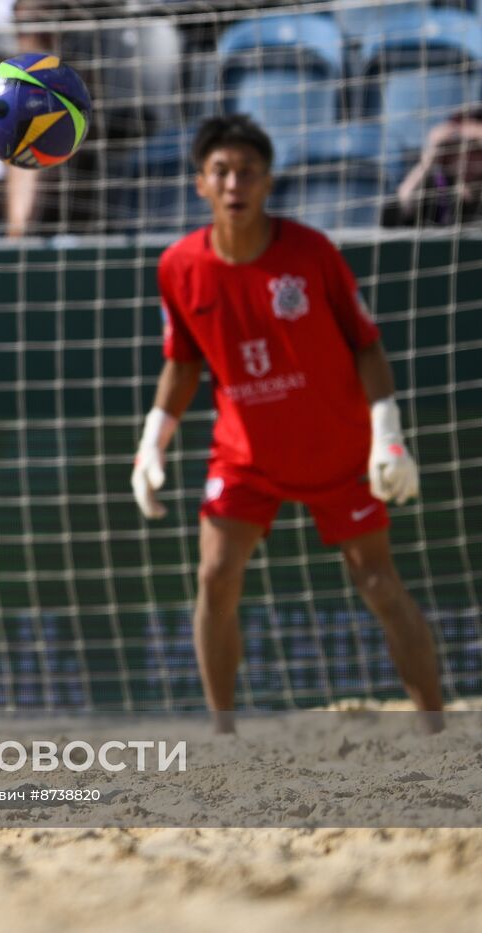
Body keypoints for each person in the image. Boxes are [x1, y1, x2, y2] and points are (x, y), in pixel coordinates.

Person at [130, 115, 443, 734]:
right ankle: (223, 733)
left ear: (268, 182)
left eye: (247, 171)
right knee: (215, 577)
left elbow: (367, 346)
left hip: (339, 448)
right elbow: (183, 363)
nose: (234, 183)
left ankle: (437, 731)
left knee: (378, 583)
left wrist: (389, 436)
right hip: (246, 455)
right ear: (200, 184)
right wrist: (151, 444)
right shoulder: (179, 266)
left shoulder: (311, 252)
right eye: (220, 171)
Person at [384, 107, 482, 227]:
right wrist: (429, 159)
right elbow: (403, 202)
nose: (464, 158)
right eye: (455, 147)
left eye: (474, 148)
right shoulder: (438, 187)